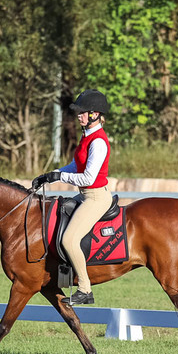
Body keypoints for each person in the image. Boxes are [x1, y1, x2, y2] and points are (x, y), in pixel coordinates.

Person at [32, 89, 112, 305]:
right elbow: (77, 165)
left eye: (83, 112)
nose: (79, 116)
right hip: (85, 196)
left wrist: (61, 176)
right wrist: (51, 175)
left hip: (95, 198)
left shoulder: (98, 142)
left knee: (69, 239)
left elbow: (87, 177)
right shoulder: (87, 137)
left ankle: (85, 289)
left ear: (95, 114)